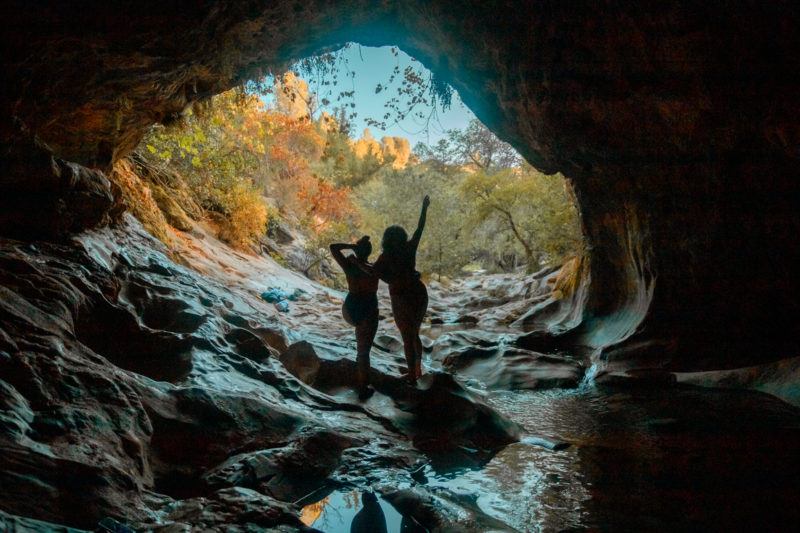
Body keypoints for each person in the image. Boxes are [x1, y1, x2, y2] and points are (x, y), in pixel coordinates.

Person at [362, 195, 430, 383]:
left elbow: (374, 273)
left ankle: (412, 375)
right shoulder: (409, 248)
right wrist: (424, 208)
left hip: (401, 297)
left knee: (407, 336)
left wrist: (358, 262)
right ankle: (418, 370)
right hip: (418, 292)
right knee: (414, 332)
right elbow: (419, 228)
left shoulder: (385, 257)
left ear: (386, 239)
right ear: (402, 237)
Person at [330, 236, 379, 398]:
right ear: (370, 251)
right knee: (364, 351)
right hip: (367, 309)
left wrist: (352, 247)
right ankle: (363, 387)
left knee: (361, 349)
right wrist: (355, 249)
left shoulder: (349, 265)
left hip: (351, 308)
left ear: (357, 251)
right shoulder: (373, 267)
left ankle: (362, 383)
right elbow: (371, 273)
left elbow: (334, 247)